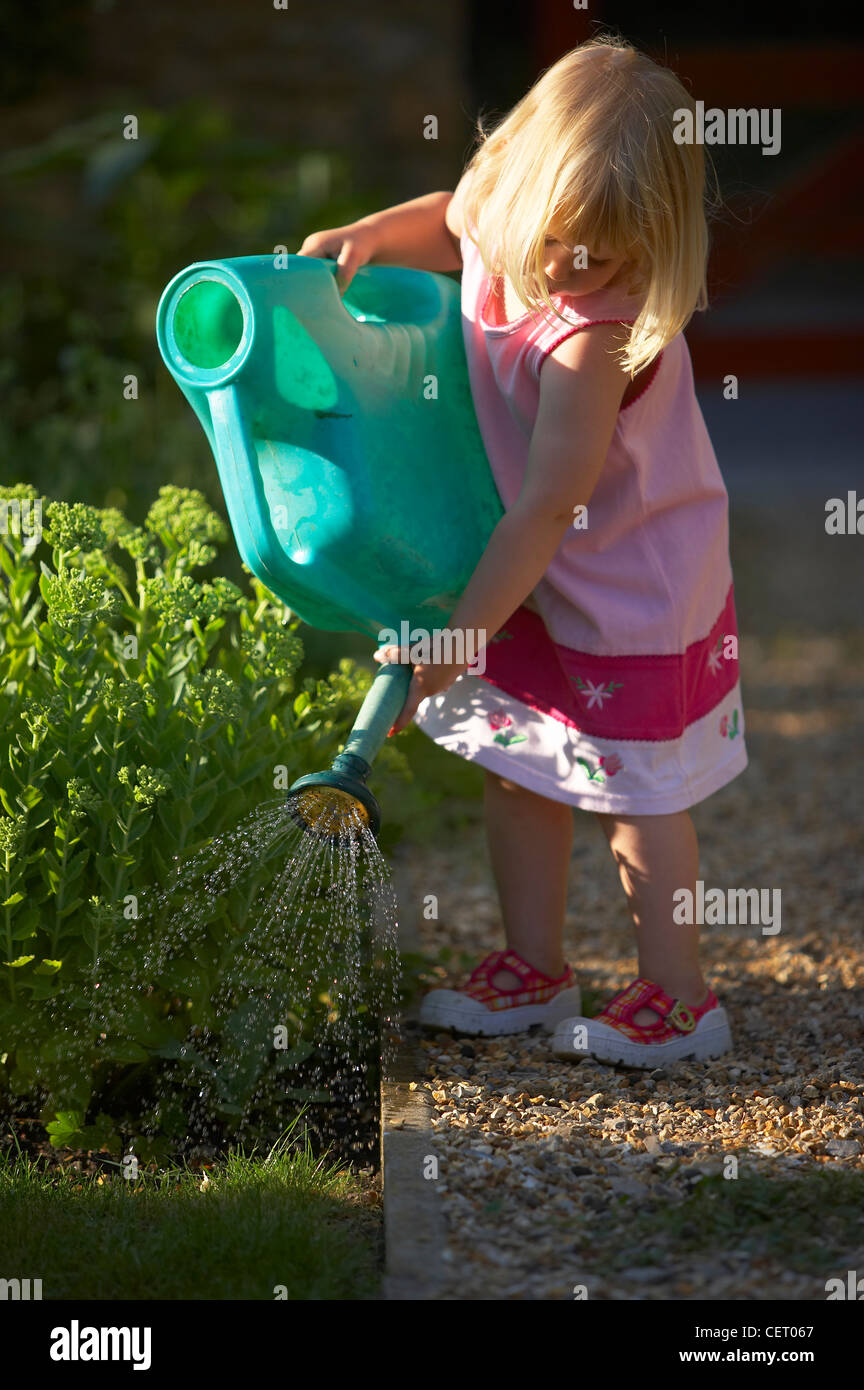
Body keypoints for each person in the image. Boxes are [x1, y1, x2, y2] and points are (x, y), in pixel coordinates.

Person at [298, 35, 747, 1067]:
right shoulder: (503, 215)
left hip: (631, 579)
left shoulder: (596, 338)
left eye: (606, 253)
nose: (569, 269)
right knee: (516, 759)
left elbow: (552, 504)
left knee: (637, 792)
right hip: (530, 573)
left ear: (656, 240)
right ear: (522, 183)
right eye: (558, 241)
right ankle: (533, 968)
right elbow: (453, 220)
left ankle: (683, 998)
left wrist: (457, 634)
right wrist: (371, 234)